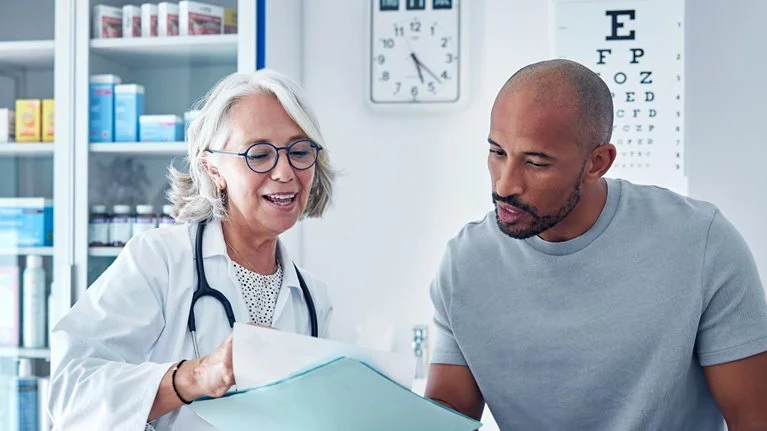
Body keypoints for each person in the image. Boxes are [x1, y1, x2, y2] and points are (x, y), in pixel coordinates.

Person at [424, 59, 767, 430]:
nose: (505, 186)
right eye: (497, 153)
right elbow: (444, 420)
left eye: (536, 163)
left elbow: (754, 417)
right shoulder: (465, 265)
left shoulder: (701, 243)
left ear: (597, 162)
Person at [48, 69, 336, 430]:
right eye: (259, 154)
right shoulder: (159, 261)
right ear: (212, 169)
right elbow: (71, 393)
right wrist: (197, 377)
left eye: (299, 151)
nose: (285, 172)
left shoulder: (312, 298)